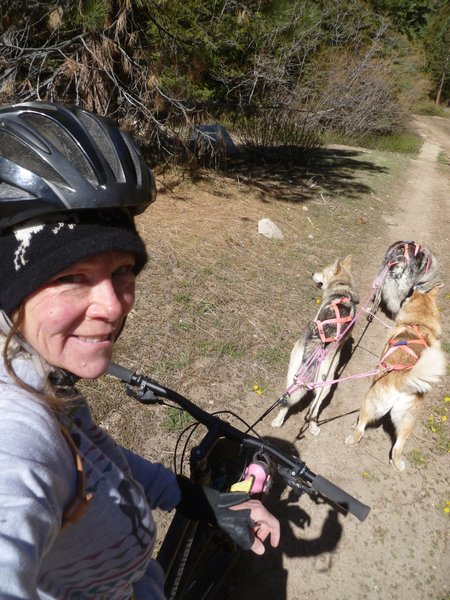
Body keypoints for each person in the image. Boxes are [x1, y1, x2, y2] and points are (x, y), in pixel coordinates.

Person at [0, 101, 279, 598]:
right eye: (70, 277)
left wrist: (206, 502)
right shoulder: (15, 440)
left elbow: (98, 457)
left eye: (123, 271)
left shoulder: (36, 371)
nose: (113, 305)